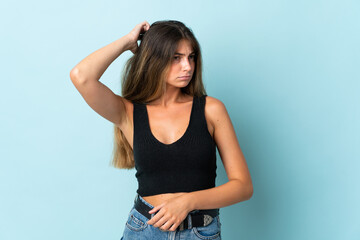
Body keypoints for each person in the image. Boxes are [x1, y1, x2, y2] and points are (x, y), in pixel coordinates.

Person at [70, 20, 253, 240]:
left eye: (191, 57)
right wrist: (128, 42)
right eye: (176, 58)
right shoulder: (128, 113)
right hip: (142, 229)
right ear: (154, 59)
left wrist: (188, 202)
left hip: (199, 232)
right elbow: (81, 76)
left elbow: (243, 186)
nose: (187, 66)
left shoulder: (211, 110)